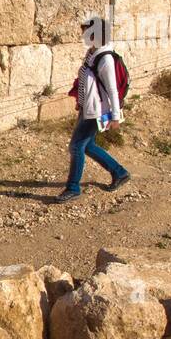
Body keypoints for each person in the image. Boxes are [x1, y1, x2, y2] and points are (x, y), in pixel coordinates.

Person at [55, 16, 130, 203]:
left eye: (87, 32)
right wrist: (80, 101)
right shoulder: (93, 53)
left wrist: (115, 117)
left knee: (77, 146)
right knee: (87, 145)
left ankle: (73, 187)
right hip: (88, 107)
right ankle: (119, 172)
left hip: (96, 110)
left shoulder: (105, 59)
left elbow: (112, 89)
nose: (83, 35)